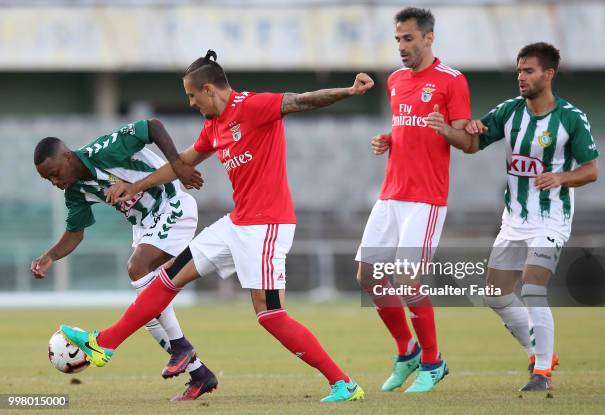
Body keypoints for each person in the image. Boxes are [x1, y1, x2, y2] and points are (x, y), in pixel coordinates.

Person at [59, 50, 374, 402]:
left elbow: (301, 101)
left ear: (209, 90)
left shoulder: (253, 107)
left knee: (270, 315)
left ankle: (343, 383)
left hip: (266, 226)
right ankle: (104, 344)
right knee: (166, 279)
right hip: (237, 223)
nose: (191, 103)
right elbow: (186, 159)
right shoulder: (215, 125)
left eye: (192, 96)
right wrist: (135, 186)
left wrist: (348, 91)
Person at [426, 42, 599, 391]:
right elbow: (473, 144)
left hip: (550, 220)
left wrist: (561, 177)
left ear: (548, 74)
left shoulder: (570, 118)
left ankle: (542, 374)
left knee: (533, 288)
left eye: (529, 71)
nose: (521, 77)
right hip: (514, 219)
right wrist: (449, 130)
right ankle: (538, 351)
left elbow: (592, 170)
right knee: (495, 294)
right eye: (519, 70)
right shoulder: (509, 112)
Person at [31, 120, 216, 401]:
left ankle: (180, 346)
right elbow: (74, 234)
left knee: (137, 268)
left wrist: (178, 165)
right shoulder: (75, 192)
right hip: (145, 225)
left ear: (67, 156)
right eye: (48, 180)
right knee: (145, 302)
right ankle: (198, 372)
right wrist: (50, 256)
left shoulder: (104, 150)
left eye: (55, 173)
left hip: (172, 204)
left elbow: (152, 126)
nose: (55, 182)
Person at [357, 7, 472, 393]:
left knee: (407, 278)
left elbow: (465, 139)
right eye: (398, 40)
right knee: (368, 275)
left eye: (408, 39)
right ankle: (406, 351)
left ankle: (433, 362)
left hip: (426, 198)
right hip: (391, 194)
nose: (402, 47)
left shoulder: (452, 81)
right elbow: (405, 127)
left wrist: (447, 130)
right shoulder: (394, 80)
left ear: (428, 38)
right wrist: (389, 140)